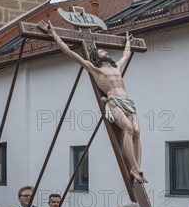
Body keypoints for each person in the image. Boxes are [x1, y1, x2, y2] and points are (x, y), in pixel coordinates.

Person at [39, 20, 146, 183]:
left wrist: (128, 43)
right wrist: (53, 33)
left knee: (137, 132)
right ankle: (134, 167)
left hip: (128, 102)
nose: (104, 52)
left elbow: (126, 55)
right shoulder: (95, 69)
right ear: (97, 56)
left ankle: (138, 166)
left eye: (104, 50)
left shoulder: (116, 66)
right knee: (129, 129)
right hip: (115, 101)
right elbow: (69, 52)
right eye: (101, 51)